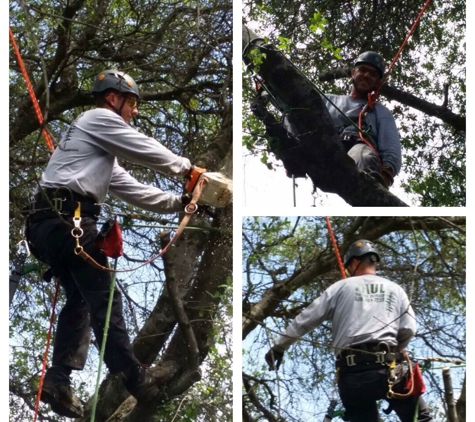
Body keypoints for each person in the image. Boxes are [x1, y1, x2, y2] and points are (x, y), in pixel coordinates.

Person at [25, 69, 204, 418]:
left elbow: (133, 189)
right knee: (107, 298)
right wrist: (188, 170)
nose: (134, 112)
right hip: (65, 220)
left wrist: (178, 202)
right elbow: (141, 147)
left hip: (50, 226)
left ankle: (57, 380)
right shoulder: (98, 118)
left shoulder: (98, 152)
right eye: (132, 103)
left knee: (80, 298)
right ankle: (135, 378)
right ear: (112, 98)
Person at [264, 240, 433, 422]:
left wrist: (278, 347)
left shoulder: (338, 288)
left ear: (354, 263)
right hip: (388, 370)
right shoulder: (396, 290)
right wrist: (397, 349)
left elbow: (304, 320)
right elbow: (409, 328)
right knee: (421, 418)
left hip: (352, 377)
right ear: (373, 262)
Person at [252, 51, 401, 188]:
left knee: (363, 155)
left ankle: (372, 196)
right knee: (297, 111)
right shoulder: (327, 99)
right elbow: (293, 106)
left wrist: (388, 169)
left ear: (377, 83)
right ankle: (294, 155)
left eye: (373, 74)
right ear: (353, 73)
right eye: (363, 70)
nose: (367, 75)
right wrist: (269, 85)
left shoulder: (379, 111)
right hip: (321, 146)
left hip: (355, 152)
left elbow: (390, 143)